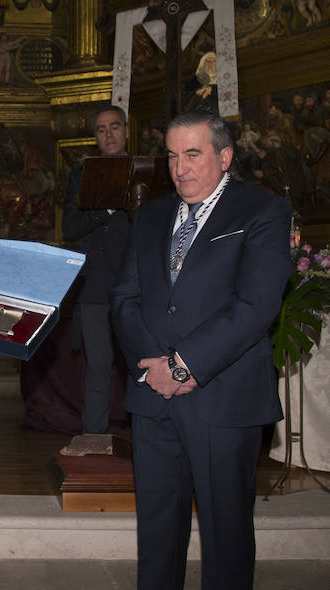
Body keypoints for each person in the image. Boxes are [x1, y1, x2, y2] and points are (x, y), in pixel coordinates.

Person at [110, 111, 291, 590]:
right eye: (171, 156)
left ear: (225, 157)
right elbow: (125, 299)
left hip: (222, 398)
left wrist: (183, 364)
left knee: (226, 537)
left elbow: (256, 306)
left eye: (193, 154)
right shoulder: (149, 215)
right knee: (156, 534)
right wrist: (154, 369)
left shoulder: (262, 211)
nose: (180, 168)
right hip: (153, 396)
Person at [61, 105, 131, 434]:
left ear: (127, 131)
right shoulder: (82, 174)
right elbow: (70, 227)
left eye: (114, 127)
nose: (109, 134)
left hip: (137, 284)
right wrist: (107, 207)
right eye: (101, 130)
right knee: (99, 367)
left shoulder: (145, 172)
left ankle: (152, 442)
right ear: (95, 138)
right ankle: (93, 442)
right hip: (95, 285)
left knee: (144, 363)